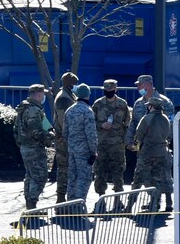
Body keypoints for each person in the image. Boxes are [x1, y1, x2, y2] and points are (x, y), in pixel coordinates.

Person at [13, 83, 54, 211]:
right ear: (39, 95)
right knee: (40, 176)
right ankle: (32, 205)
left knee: (30, 176)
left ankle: (30, 206)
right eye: (42, 94)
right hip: (34, 148)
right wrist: (50, 139)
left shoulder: (25, 108)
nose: (43, 97)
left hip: (26, 147)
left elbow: (15, 129)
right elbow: (36, 131)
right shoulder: (33, 110)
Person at [131, 93, 174, 214]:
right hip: (163, 152)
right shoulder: (166, 119)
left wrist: (135, 147)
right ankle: (166, 203)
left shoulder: (146, 119)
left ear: (152, 106)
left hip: (148, 153)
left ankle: (132, 205)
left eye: (148, 105)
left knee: (143, 178)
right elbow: (169, 134)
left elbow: (139, 136)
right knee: (163, 178)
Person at [91, 78, 131, 200]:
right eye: (106, 90)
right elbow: (91, 122)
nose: (109, 92)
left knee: (118, 172)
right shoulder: (98, 104)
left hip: (117, 145)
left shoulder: (122, 104)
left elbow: (127, 123)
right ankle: (100, 198)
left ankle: (118, 200)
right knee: (100, 172)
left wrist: (125, 140)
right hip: (101, 144)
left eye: (111, 90)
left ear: (115, 89)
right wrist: (101, 125)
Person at [63, 82, 98, 213]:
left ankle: (70, 204)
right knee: (84, 178)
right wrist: (93, 151)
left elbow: (65, 132)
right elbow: (91, 134)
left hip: (72, 149)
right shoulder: (87, 111)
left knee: (72, 176)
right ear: (88, 95)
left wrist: (71, 145)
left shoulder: (69, 110)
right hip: (84, 151)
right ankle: (78, 207)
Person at [50, 69, 80, 203]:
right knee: (64, 169)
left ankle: (65, 197)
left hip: (66, 138)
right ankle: (61, 198)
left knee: (68, 168)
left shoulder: (68, 95)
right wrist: (67, 136)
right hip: (64, 139)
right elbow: (62, 119)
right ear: (71, 84)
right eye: (76, 83)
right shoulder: (63, 97)